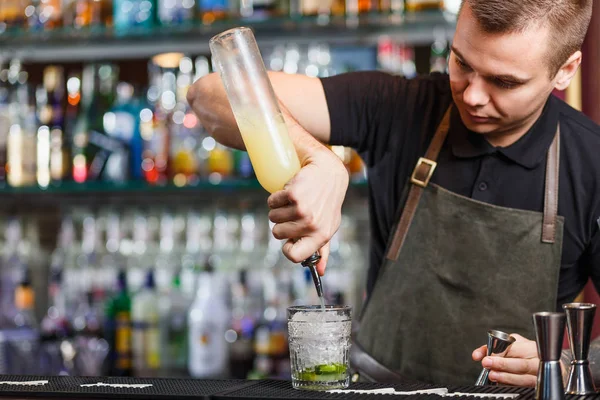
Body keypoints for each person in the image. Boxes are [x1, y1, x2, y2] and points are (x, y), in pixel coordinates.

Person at [188, 0, 600, 387]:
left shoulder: (591, 164)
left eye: (504, 82)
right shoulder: (401, 106)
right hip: (375, 387)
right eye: (461, 63)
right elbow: (210, 93)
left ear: (565, 70)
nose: (472, 95)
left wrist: (568, 365)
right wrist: (320, 160)